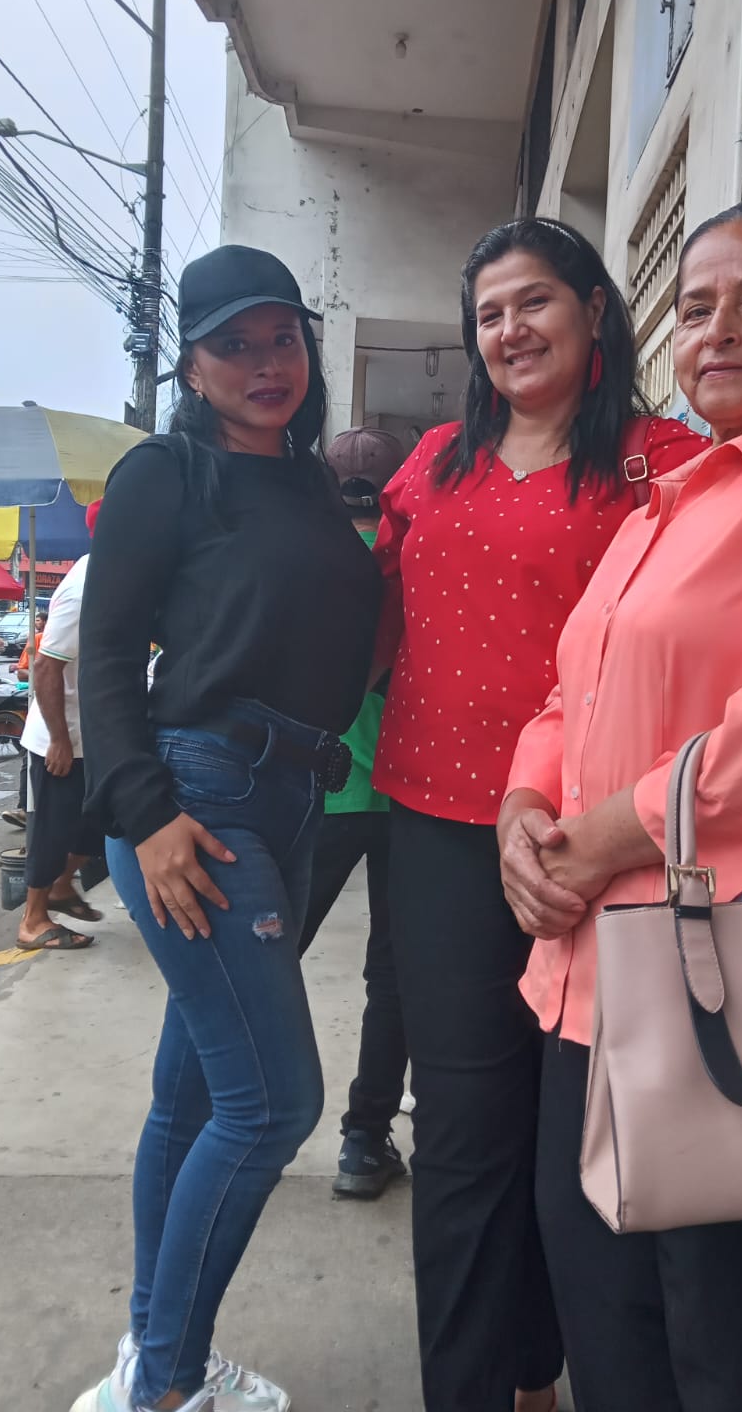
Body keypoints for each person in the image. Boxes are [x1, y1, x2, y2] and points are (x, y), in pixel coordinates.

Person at [499, 200, 742, 1412]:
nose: (716, 329)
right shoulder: (662, 507)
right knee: (614, 1347)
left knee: (741, 1362)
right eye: (694, 306)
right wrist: (523, 811)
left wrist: (599, 838)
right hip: (589, 992)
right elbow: (569, 694)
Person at [371, 216, 706, 1412]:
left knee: (579, 1141)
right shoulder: (433, 464)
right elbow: (364, 609)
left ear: (594, 309)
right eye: (489, 314)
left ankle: (540, 1366)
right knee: (467, 1135)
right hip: (439, 832)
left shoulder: (665, 465)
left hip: (603, 842)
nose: (510, 330)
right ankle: (473, 1387)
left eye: (535, 302)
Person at [73, 244, 382, 1412]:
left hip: (293, 796)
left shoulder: (309, 483)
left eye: (282, 339)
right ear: (193, 365)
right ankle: (168, 1384)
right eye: (234, 345)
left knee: (199, 1095)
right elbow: (107, 654)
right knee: (274, 1104)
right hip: (198, 797)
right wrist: (145, 812)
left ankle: (150, 1354)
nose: (266, 364)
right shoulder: (168, 473)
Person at [298, 425, 409, 1199]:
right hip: (410, 796)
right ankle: (364, 1141)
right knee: (393, 975)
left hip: (322, 791)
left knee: (264, 958)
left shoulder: (310, 556)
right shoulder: (418, 558)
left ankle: (228, 1116)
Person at [15, 515, 105, 949]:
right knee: (51, 830)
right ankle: (32, 920)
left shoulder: (112, 576)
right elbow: (46, 666)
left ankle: (61, 885)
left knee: (100, 824)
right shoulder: (86, 586)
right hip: (61, 737)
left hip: (93, 735)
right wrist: (59, 739)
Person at [3, 610, 47, 833]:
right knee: (30, 758)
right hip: (42, 709)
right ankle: (25, 808)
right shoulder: (38, 640)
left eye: (40, 619)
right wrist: (48, 674)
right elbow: (22, 672)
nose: (38, 622)